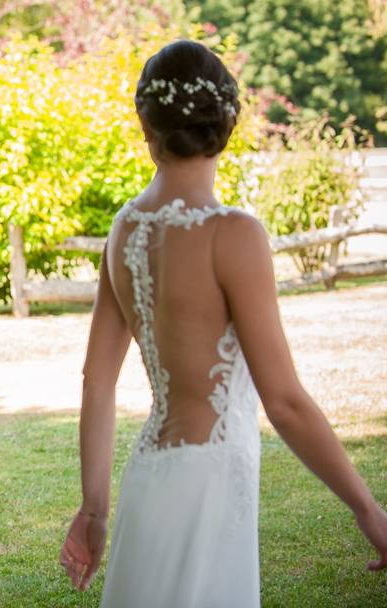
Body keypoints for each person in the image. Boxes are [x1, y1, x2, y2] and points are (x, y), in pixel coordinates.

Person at [58, 40, 387, 607]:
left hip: (148, 478)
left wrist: (94, 508)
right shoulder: (235, 234)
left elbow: (97, 381)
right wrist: (367, 508)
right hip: (209, 481)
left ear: (146, 125)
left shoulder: (124, 230)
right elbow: (282, 400)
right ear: (227, 120)